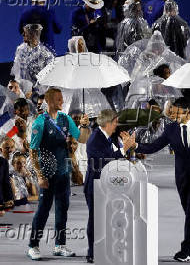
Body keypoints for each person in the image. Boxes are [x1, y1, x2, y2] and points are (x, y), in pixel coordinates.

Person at [132, 97, 190, 262]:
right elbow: (154, 146)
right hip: (181, 177)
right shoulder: (171, 129)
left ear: (187, 112)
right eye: (172, 112)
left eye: (177, 112)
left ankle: (186, 249)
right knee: (189, 212)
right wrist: (136, 145)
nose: (173, 115)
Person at [26, 87, 90, 260]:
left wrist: (84, 125)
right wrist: (39, 175)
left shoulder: (66, 118)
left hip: (63, 172)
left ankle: (60, 245)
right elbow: (33, 151)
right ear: (49, 101)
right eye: (58, 99)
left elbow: (82, 139)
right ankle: (33, 245)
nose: (62, 101)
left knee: (63, 209)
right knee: (43, 210)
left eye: (62, 99)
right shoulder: (40, 122)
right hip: (47, 173)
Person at [84, 109, 136, 263]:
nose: (116, 125)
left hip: (106, 184)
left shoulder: (107, 137)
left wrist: (128, 148)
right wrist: (124, 149)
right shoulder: (94, 139)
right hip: (95, 185)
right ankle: (92, 252)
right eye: (114, 122)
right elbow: (106, 161)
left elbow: (115, 157)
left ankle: (104, 249)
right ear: (107, 123)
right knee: (95, 219)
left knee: (105, 218)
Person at [11, 24, 55, 90]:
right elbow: (16, 72)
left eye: (25, 32)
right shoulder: (20, 50)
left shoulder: (47, 55)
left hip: (38, 93)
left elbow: (49, 80)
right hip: (22, 91)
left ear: (33, 35)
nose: (22, 34)